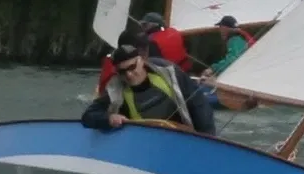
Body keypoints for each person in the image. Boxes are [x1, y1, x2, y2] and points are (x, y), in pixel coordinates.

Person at [82, 44, 216, 135]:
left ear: (141, 61)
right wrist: (109, 118)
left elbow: (199, 104)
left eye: (132, 67)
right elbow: (88, 116)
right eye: (122, 71)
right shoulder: (115, 89)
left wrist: (207, 138)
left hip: (182, 138)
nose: (129, 75)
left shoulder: (169, 72)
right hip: (145, 145)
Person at [95, 29, 161, 96]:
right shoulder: (115, 75)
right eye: (140, 50)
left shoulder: (109, 62)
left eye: (145, 48)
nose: (145, 53)